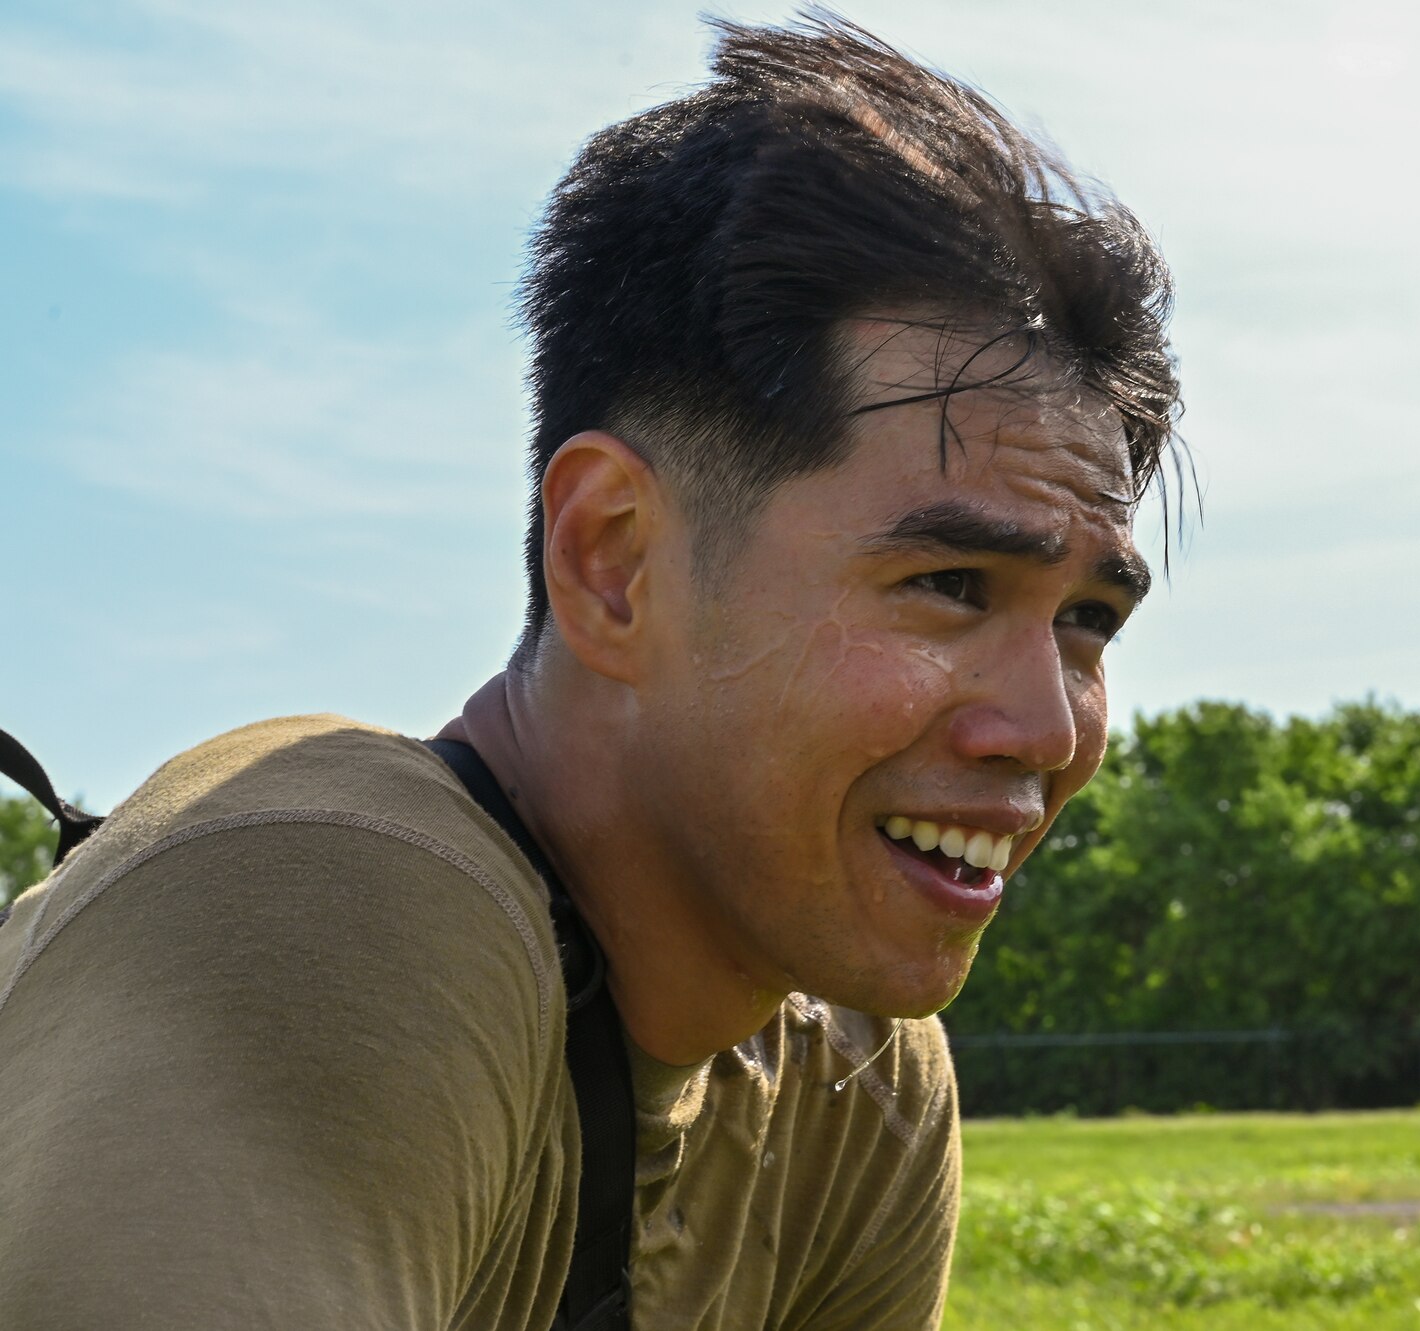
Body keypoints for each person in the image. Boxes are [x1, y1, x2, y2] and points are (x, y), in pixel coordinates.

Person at [0, 13, 1180, 1329]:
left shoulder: (860, 1085)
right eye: (950, 587)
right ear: (615, 558)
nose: (1044, 727)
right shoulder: (316, 898)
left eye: (1088, 622)